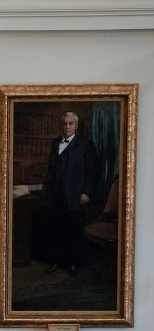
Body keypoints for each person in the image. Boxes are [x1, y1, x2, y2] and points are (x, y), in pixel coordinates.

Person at [42, 112, 99, 276]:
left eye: (70, 124)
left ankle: (73, 263)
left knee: (74, 231)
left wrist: (86, 192)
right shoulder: (55, 144)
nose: (67, 127)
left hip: (75, 195)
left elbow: (92, 171)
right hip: (55, 195)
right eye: (65, 124)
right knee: (55, 229)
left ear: (76, 126)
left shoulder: (84, 145)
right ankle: (55, 261)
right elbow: (51, 170)